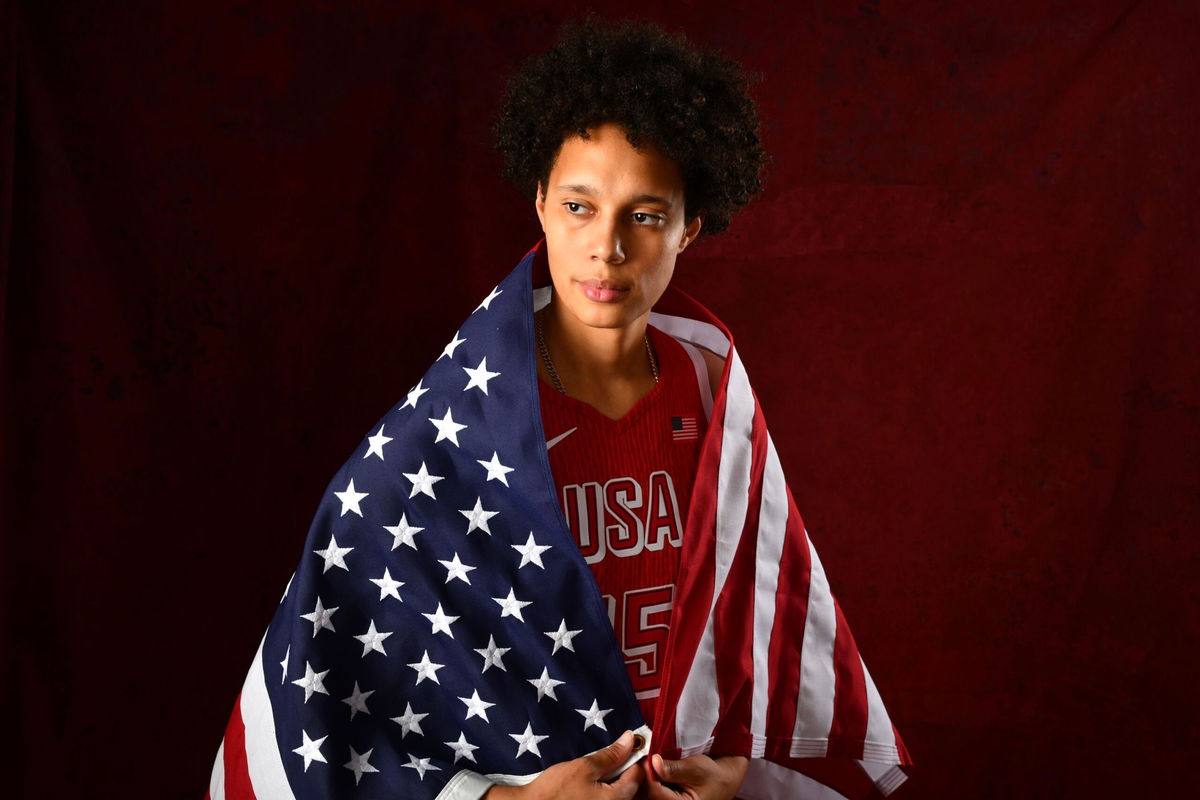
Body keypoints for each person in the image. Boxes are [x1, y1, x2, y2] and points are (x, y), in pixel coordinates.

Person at [208, 17, 908, 800]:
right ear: (540, 203)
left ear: (691, 226)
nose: (606, 247)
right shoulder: (458, 423)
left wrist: (733, 765)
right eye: (579, 207)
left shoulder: (714, 392)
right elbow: (340, 696)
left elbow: (747, 617)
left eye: (644, 216)